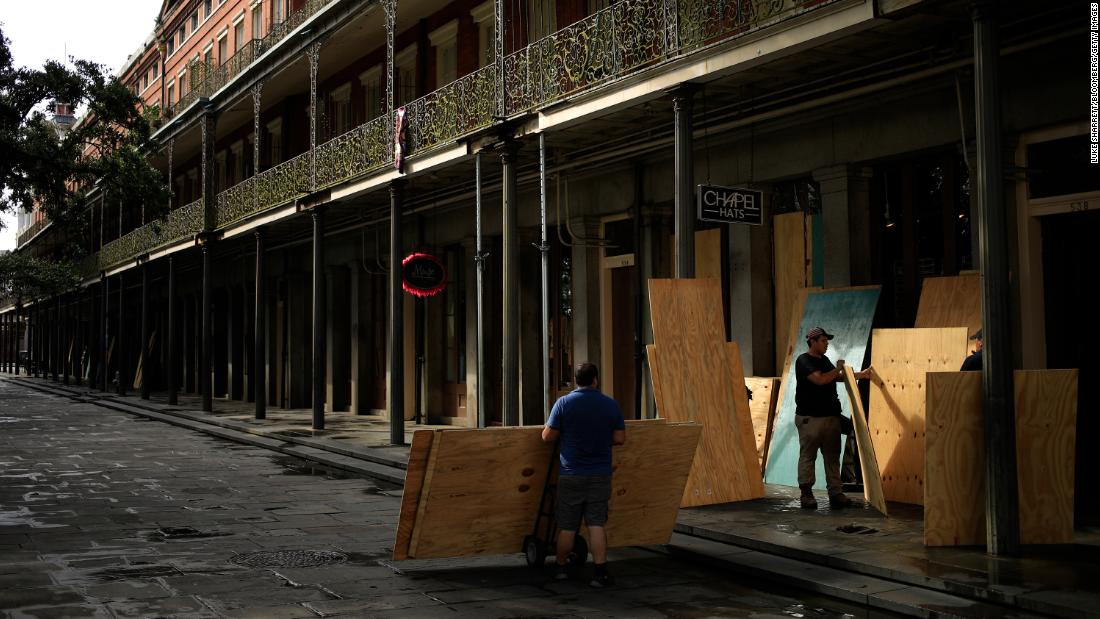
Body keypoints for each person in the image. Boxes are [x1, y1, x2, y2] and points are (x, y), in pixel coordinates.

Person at [541, 362, 626, 588]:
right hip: (600, 473)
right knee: (596, 524)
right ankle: (599, 573)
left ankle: (560, 568)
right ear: (596, 380)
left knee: (568, 525)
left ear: (575, 380)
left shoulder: (564, 403)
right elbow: (619, 439)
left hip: (571, 473)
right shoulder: (610, 405)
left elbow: (547, 437)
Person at [794, 327, 871, 510]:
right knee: (808, 456)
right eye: (823, 341)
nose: (826, 344)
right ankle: (806, 494)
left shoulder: (824, 360)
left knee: (832, 457)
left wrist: (861, 375)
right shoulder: (804, 360)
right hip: (811, 419)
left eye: (827, 341)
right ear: (812, 342)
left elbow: (837, 377)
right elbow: (820, 380)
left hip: (830, 418)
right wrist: (837, 368)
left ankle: (836, 493)